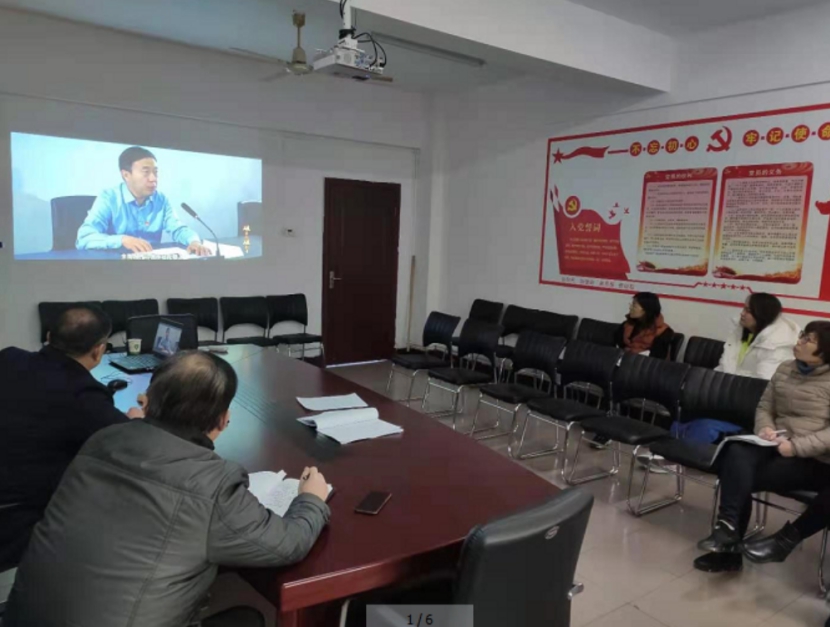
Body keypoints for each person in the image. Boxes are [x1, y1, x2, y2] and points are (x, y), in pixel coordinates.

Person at [5, 351, 331, 627]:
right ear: (223, 420)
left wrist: (135, 424)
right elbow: (287, 545)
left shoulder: (102, 439)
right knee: (249, 618)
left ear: (147, 402)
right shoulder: (213, 482)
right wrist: (311, 499)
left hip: (22, 618)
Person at [0, 306, 143, 570]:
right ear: (99, 350)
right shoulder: (84, 394)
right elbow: (131, 444)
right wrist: (136, 420)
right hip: (18, 521)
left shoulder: (8, 357)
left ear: (48, 336)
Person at [693, 321, 830, 574]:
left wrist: (796, 447)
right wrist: (765, 428)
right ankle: (728, 531)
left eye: (808, 339)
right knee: (736, 452)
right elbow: (766, 407)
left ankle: (765, 544)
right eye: (802, 335)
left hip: (814, 461)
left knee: (738, 475)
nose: (799, 341)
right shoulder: (786, 368)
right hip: (776, 446)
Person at [75, 146, 211, 256]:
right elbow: (84, 238)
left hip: (149, 267)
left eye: (155, 172)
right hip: (115, 268)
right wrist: (122, 240)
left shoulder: (161, 200)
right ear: (126, 175)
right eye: (146, 172)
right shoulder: (109, 198)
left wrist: (194, 242)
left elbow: (178, 229)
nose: (153, 178)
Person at [716, 293, 800, 380]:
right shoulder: (741, 331)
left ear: (762, 314)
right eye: (744, 308)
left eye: (748, 311)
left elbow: (762, 381)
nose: (742, 313)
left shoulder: (776, 345)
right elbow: (725, 365)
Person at [614, 292, 674, 360]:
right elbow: (616, 345)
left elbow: (657, 358)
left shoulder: (664, 332)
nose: (630, 308)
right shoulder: (627, 325)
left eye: (634, 305)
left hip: (645, 364)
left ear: (646, 309)